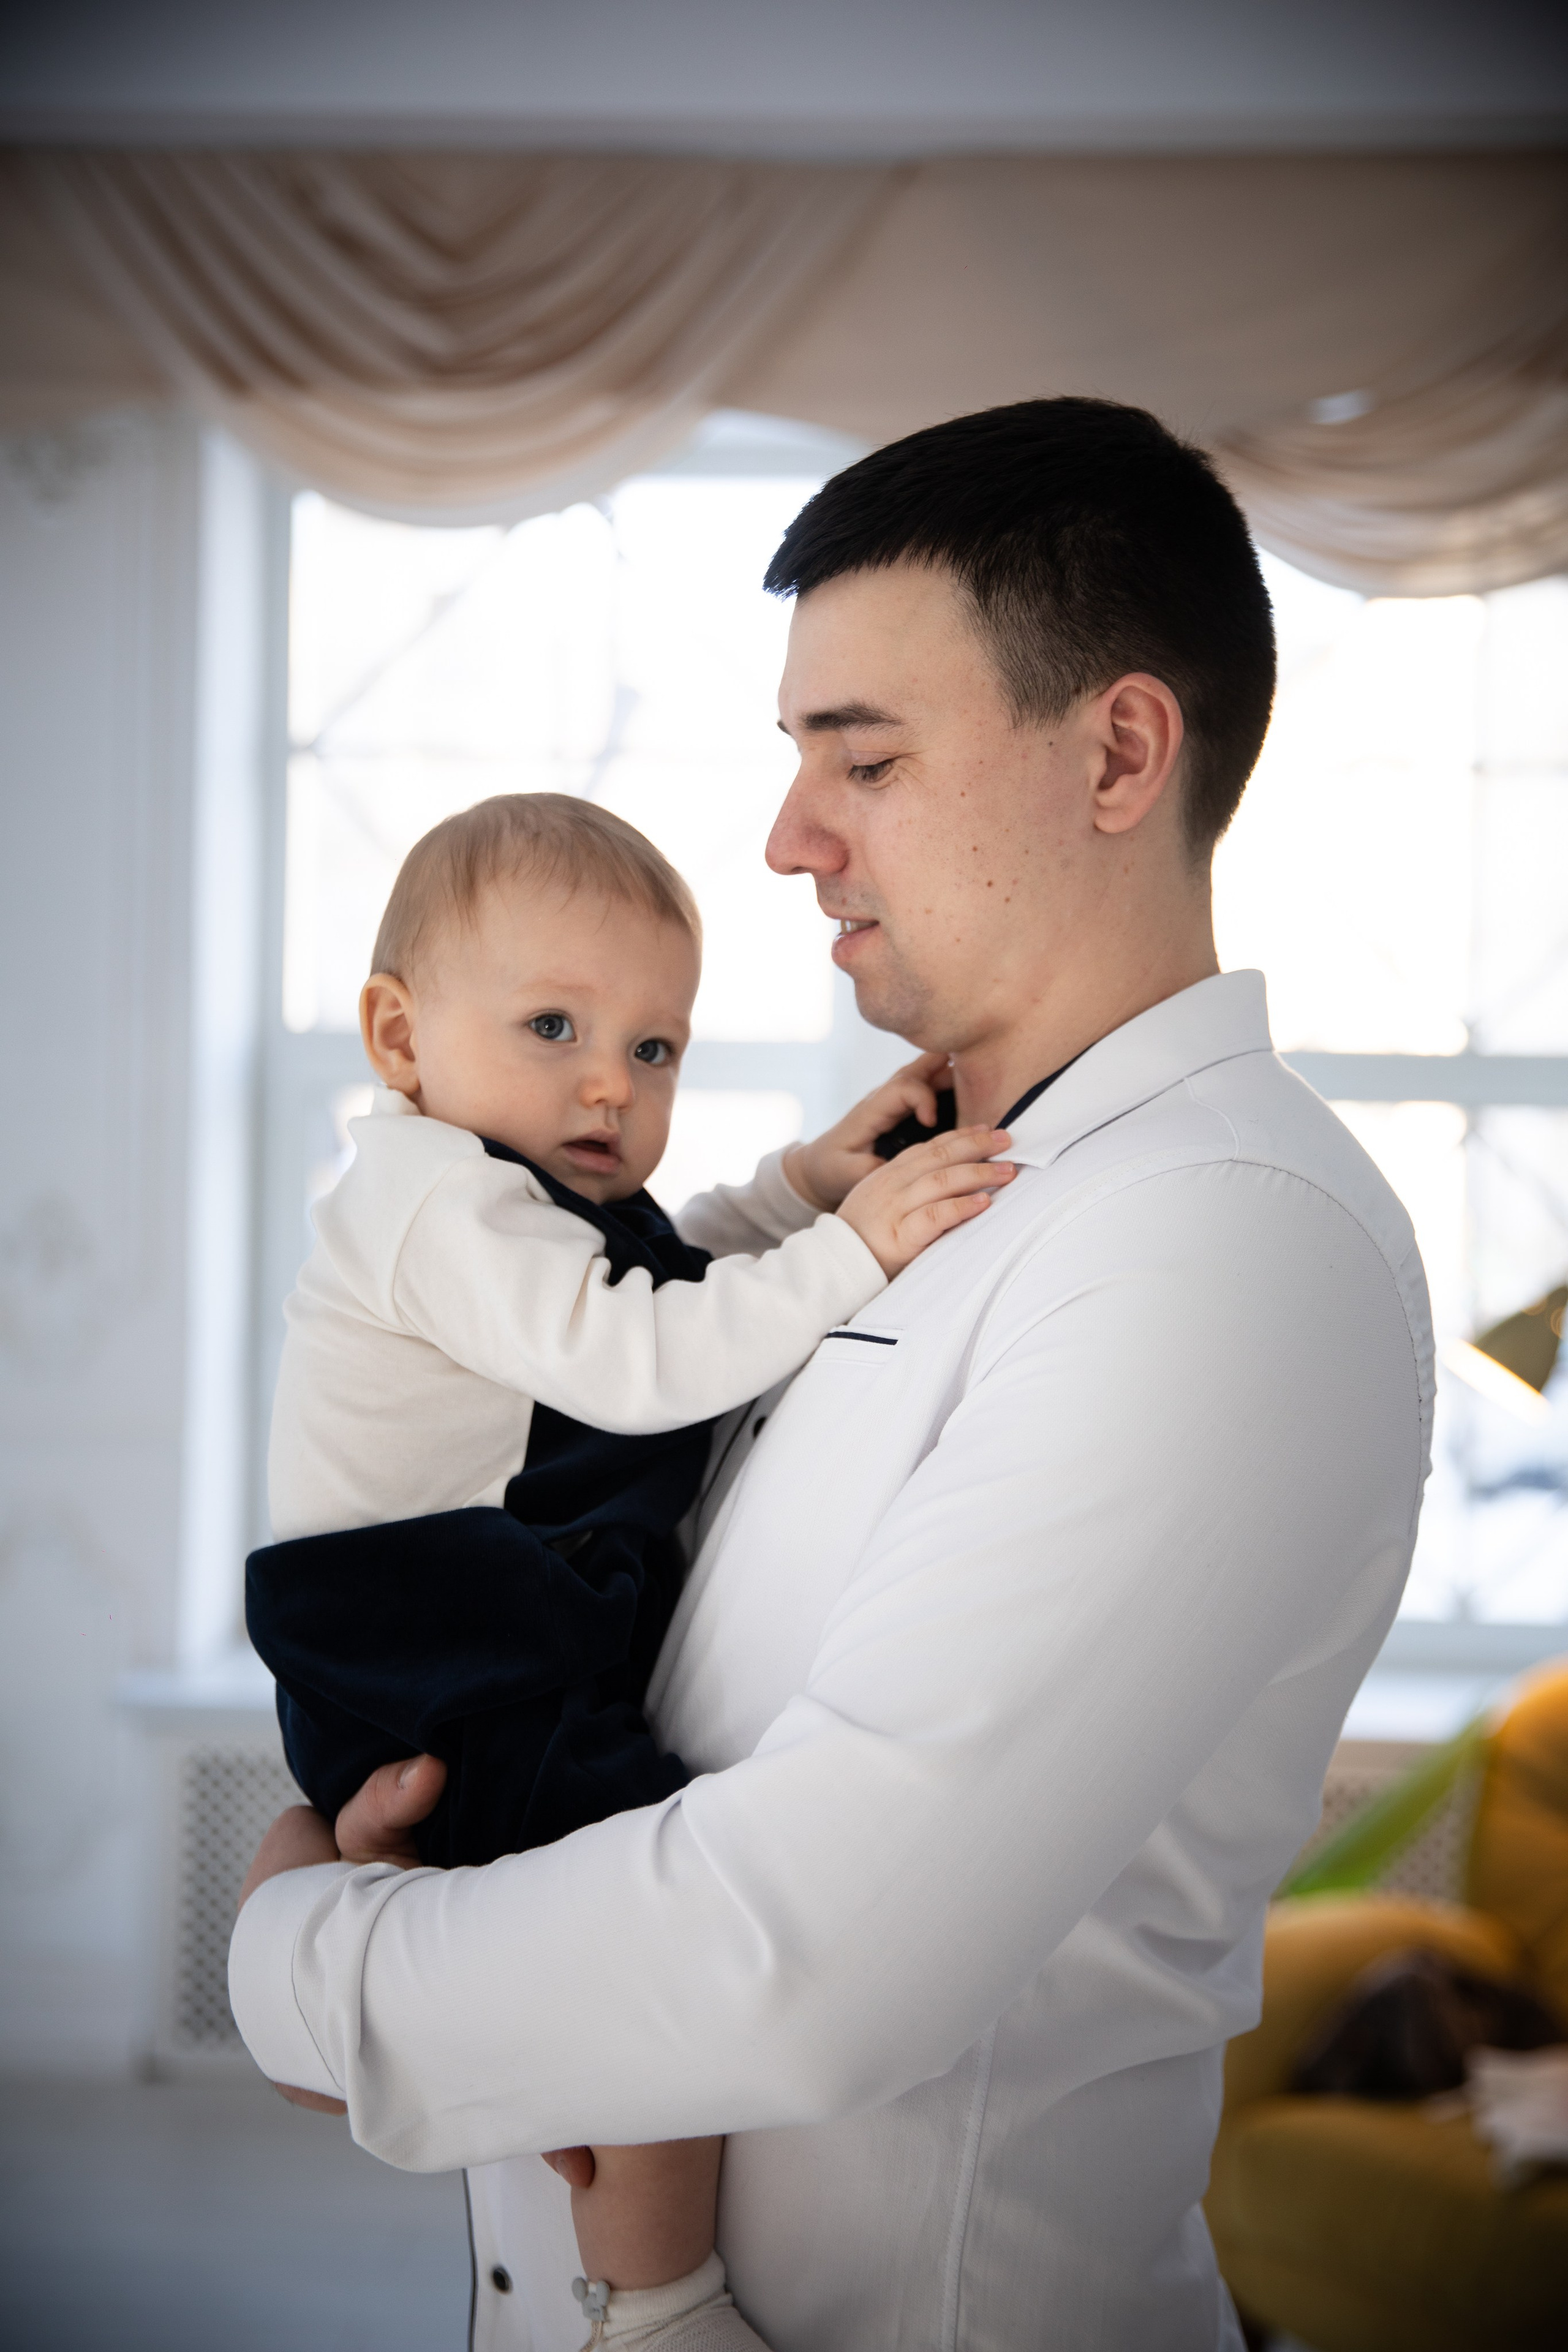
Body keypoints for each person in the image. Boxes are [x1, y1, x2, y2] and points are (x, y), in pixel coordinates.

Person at [231, 397, 1434, 2351]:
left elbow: (798, 1960)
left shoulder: (1221, 1242)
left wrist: (306, 1951)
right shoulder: (953, 1194)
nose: (789, 839)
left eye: (860, 759)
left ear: (1122, 750)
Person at [247, 789, 1010, 2348]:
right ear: (399, 1038)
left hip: (466, 1628)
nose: (610, 1081)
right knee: (640, 1929)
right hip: (427, 1631)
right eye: (552, 1026)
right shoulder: (426, 1201)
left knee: (565, 1970)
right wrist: (851, 1250)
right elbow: (641, 1351)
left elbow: (656, 1261)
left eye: (654, 1050)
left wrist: (799, 1185)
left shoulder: (512, 1187)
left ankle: (555, 2129)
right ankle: (658, 2300)